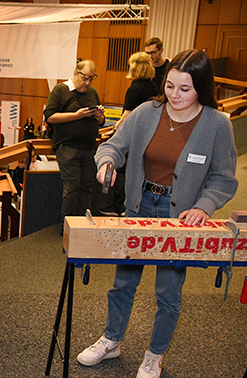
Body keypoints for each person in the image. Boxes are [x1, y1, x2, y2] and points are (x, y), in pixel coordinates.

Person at [78, 50, 238, 378]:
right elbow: (112, 145)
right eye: (170, 86)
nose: (174, 96)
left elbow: (223, 178)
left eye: (185, 89)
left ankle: (155, 355)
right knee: (123, 282)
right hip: (139, 206)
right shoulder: (146, 112)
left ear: (202, 88)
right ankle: (112, 340)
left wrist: (203, 207)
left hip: (180, 216)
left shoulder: (217, 124)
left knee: (168, 291)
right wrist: (107, 161)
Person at [44, 60, 105, 225]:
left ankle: (82, 225)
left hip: (89, 146)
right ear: (76, 73)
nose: (88, 83)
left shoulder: (92, 92)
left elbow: (100, 122)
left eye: (92, 78)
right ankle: (68, 228)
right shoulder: (60, 90)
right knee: (72, 187)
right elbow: (49, 117)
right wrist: (76, 116)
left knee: (87, 187)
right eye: (85, 78)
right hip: (67, 147)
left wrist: (99, 115)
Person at [99, 52, 159, 216]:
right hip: (147, 135)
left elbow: (127, 116)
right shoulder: (152, 86)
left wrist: (115, 129)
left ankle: (118, 205)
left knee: (122, 171)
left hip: (133, 137)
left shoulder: (135, 88)